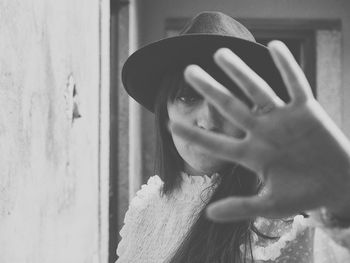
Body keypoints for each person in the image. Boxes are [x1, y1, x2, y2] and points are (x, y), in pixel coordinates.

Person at [117, 11, 350, 262]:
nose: (208, 121)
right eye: (188, 97)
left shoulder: (281, 222)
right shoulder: (145, 211)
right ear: (165, 112)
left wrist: (344, 200)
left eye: (228, 101)